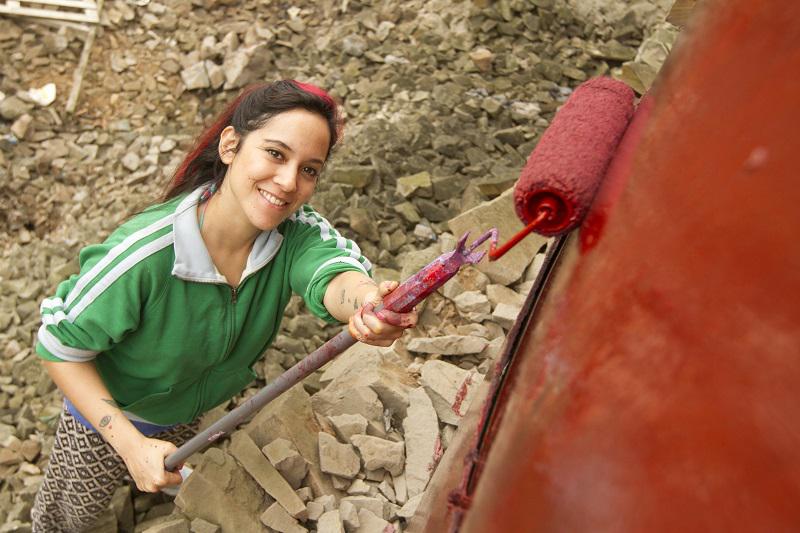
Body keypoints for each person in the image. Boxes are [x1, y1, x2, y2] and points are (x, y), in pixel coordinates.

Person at [30, 80, 417, 532]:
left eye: (309, 169)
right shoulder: (145, 255)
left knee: (167, 470)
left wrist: (367, 301)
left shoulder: (296, 233)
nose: (289, 182)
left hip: (191, 404)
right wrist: (130, 445)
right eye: (275, 154)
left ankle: (150, 484)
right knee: (71, 513)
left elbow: (332, 273)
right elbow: (58, 346)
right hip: (106, 414)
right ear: (231, 145)